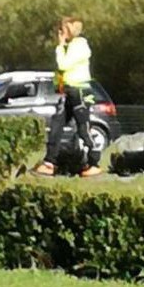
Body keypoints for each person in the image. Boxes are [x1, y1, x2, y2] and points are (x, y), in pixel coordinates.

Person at [34, 16, 103, 177]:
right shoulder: (69, 46)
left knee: (83, 128)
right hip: (68, 92)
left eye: (63, 29)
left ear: (70, 29)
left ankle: (94, 162)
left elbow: (63, 65)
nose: (60, 32)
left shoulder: (80, 46)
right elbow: (60, 72)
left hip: (80, 91)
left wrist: (60, 46)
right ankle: (49, 162)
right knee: (56, 126)